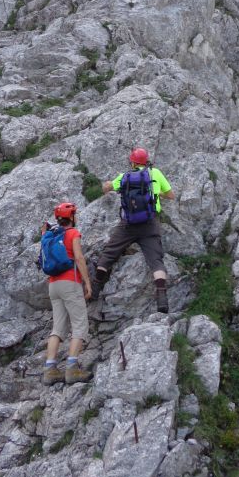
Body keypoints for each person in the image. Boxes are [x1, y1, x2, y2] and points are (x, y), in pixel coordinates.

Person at [94, 147, 175, 313]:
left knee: (109, 252)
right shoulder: (155, 173)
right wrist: (156, 193)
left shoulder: (125, 177)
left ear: (132, 162)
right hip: (150, 223)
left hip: (128, 223)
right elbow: (171, 195)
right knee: (156, 260)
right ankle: (162, 299)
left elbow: (107, 188)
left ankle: (94, 289)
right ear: (146, 161)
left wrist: (105, 185)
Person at [40, 202, 92, 385]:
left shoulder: (49, 235)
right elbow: (78, 257)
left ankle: (50, 369)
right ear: (71, 217)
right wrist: (87, 282)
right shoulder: (72, 233)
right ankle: (72, 369)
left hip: (53, 285)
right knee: (80, 325)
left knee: (58, 328)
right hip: (70, 283)